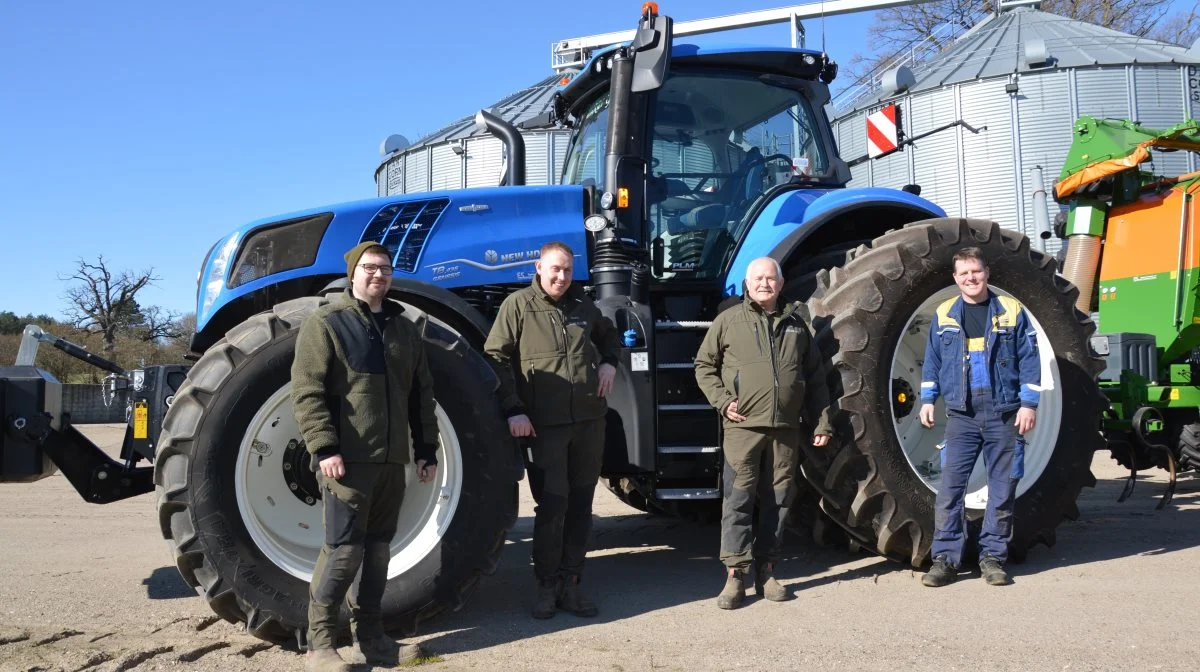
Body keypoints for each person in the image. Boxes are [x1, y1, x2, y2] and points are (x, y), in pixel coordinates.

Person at [292, 241, 439, 672]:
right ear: (354, 273)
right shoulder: (328, 323)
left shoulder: (404, 329)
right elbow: (307, 391)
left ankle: (370, 638)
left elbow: (421, 396)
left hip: (392, 461)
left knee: (378, 552)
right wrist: (325, 448)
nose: (380, 275)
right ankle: (319, 646)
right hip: (349, 463)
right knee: (342, 551)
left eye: (387, 269)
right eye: (371, 268)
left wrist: (426, 450)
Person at [484, 241, 620, 619]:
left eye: (567, 270)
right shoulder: (518, 306)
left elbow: (609, 336)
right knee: (552, 507)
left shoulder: (583, 306)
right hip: (544, 427)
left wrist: (609, 362)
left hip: (589, 423)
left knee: (581, 507)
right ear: (539, 267)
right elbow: (495, 356)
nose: (561, 277)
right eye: (555, 269)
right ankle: (546, 584)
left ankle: (571, 583)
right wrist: (513, 408)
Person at [694, 257, 833, 610]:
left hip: (785, 430)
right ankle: (735, 576)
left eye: (770, 279)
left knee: (779, 501)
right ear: (747, 283)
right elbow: (703, 367)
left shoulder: (797, 326)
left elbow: (815, 379)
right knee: (738, 502)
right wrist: (723, 402)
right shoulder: (728, 321)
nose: (764, 284)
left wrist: (821, 422)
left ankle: (767, 571)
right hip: (743, 428)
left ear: (781, 285)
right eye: (758, 279)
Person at [918, 246, 1040, 588]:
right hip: (962, 413)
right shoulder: (944, 314)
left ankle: (992, 558)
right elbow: (932, 361)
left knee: (1002, 489)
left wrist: (1028, 404)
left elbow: (1029, 359)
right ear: (955, 279)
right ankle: (945, 558)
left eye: (976, 271)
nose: (971, 278)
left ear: (986, 273)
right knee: (950, 490)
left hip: (1003, 411)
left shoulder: (1011, 311)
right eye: (964, 274)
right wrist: (928, 399)